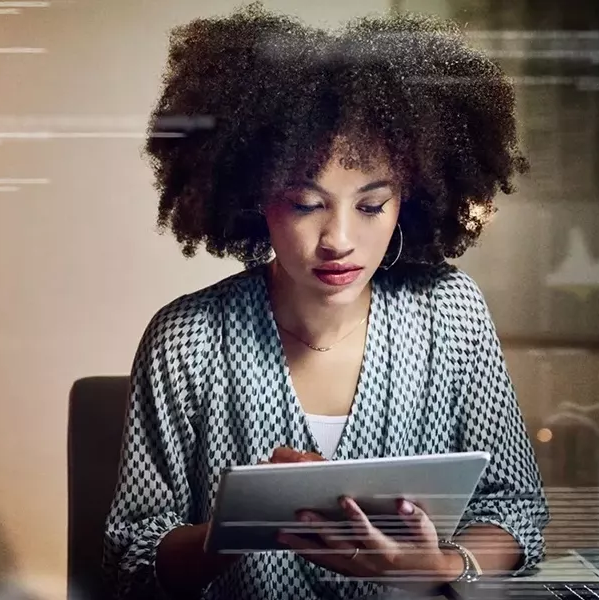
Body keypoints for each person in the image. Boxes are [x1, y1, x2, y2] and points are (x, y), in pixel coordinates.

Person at [103, 3, 550, 599]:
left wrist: (439, 567)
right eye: (305, 203)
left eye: (370, 206)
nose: (339, 240)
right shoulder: (187, 339)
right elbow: (132, 557)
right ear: (252, 198)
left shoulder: (451, 313)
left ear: (409, 202)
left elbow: (516, 507)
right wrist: (240, 525)